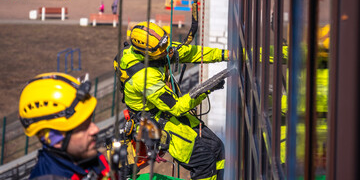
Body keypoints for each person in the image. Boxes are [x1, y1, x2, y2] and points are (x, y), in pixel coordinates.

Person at [114, 22, 229, 180]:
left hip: (163, 112)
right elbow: (175, 107)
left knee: (217, 147)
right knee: (203, 161)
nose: (167, 51)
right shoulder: (144, 77)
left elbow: (191, 53)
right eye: (161, 49)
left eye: (165, 44)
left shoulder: (154, 50)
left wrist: (227, 55)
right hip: (156, 119)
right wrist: (204, 90)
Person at [18, 72, 111, 179]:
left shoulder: (88, 158)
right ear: (57, 140)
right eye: (83, 127)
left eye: (90, 122)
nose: (95, 129)